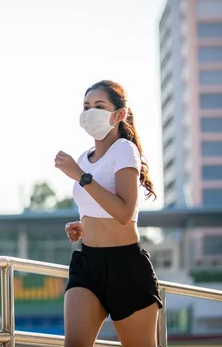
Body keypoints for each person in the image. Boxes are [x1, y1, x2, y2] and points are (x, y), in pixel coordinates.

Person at [54, 80, 162, 347]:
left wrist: (80, 177)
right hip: (87, 264)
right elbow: (98, 206)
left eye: (99, 106)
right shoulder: (83, 158)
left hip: (126, 267)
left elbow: (125, 212)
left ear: (119, 114)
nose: (91, 112)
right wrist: (84, 225)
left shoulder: (125, 150)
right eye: (86, 106)